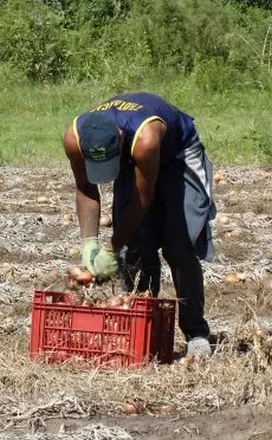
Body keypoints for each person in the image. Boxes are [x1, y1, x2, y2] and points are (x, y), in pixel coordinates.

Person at [61, 92, 217, 359]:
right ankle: (140, 327)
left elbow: (142, 199)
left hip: (177, 157)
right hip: (131, 160)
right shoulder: (74, 138)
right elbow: (86, 189)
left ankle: (196, 332)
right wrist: (89, 245)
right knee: (136, 250)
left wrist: (111, 247)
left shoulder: (145, 138)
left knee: (178, 247)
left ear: (120, 138)